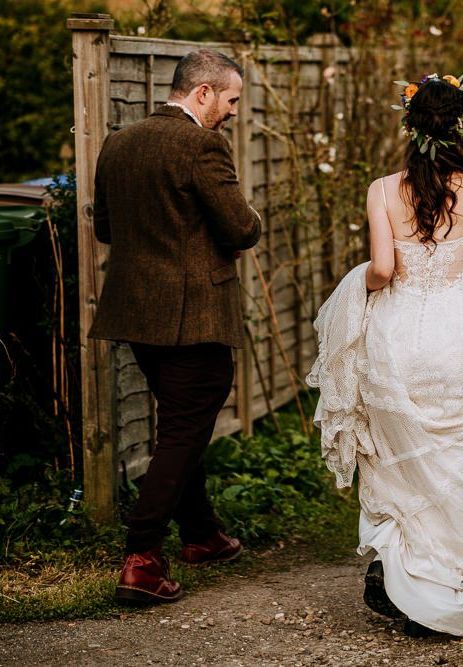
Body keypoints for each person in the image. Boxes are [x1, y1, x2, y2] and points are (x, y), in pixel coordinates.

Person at [308, 73, 463, 637]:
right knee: (452, 462)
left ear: (408, 123)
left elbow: (381, 270)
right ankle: (438, 587)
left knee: (397, 456)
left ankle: (399, 573)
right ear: (461, 124)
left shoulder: (381, 190)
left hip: (398, 338)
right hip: (458, 336)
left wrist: (358, 291)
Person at [90, 49, 261, 604]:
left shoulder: (118, 142)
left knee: (181, 428)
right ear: (203, 92)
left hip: (138, 314)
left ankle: (202, 535)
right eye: (231, 99)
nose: (233, 111)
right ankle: (142, 557)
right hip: (195, 316)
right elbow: (239, 227)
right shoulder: (202, 144)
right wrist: (242, 225)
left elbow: (109, 229)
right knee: (184, 432)